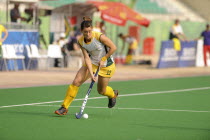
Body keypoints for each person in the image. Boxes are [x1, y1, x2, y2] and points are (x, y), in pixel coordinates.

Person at [54, 17, 119, 115]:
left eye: (89, 31)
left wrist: (104, 58)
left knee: (101, 91)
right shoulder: (80, 41)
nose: (88, 34)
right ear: (81, 31)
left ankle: (113, 94)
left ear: (92, 29)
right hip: (92, 63)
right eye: (85, 32)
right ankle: (64, 108)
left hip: (106, 66)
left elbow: (113, 47)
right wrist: (92, 74)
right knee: (76, 81)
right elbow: (87, 58)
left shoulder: (99, 37)